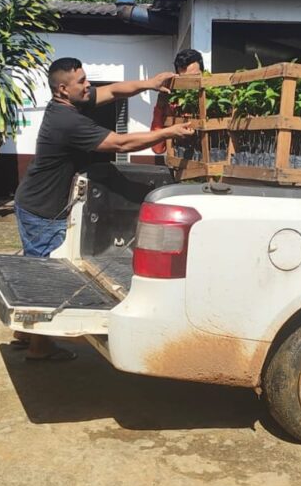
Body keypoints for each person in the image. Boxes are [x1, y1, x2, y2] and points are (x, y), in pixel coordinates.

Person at [11, 57, 195, 360]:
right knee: (48, 277)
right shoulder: (67, 121)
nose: (88, 86)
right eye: (82, 82)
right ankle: (39, 348)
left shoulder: (72, 103)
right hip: (42, 211)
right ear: (62, 89)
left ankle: (24, 331)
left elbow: (114, 91)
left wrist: (150, 83)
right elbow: (120, 144)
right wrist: (166, 134)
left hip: (36, 203)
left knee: (37, 267)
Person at [150, 49, 205, 155]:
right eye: (185, 79)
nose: (191, 83)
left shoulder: (215, 100)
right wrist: (160, 108)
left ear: (203, 73)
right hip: (181, 166)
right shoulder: (173, 104)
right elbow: (157, 148)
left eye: (195, 77)